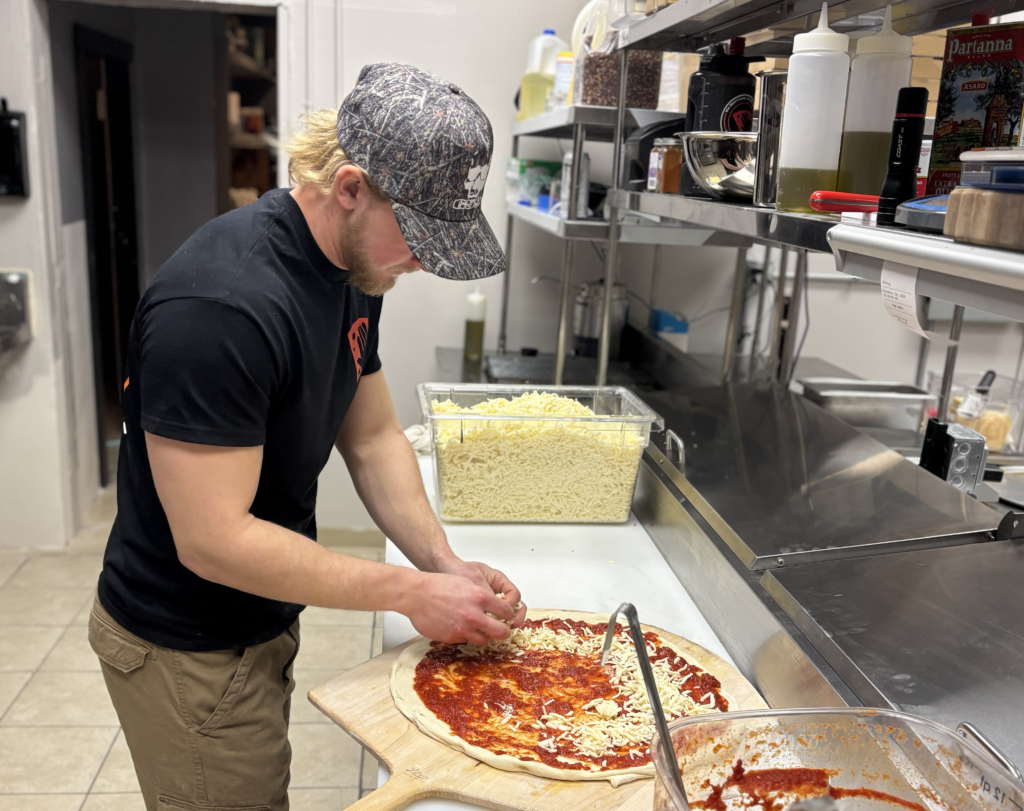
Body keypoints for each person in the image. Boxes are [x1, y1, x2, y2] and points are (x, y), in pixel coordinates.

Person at [88, 62, 527, 811]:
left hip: (259, 613)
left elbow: (374, 435)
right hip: (186, 644)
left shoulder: (355, 269)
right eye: (418, 235)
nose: (425, 260)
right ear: (350, 186)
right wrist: (410, 592)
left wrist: (443, 563)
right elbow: (213, 541)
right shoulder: (220, 309)